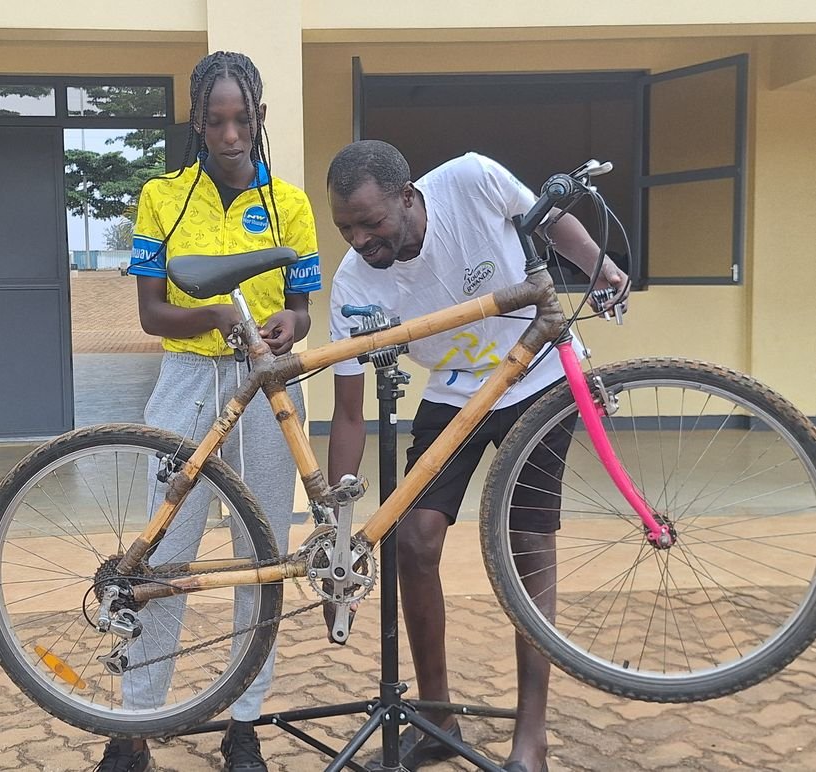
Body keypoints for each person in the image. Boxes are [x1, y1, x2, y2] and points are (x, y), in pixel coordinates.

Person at [326, 141, 628, 772]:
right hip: (454, 392)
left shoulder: (472, 180)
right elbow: (349, 413)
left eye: (371, 223)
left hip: (536, 376)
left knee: (528, 543)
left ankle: (532, 734)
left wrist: (598, 265)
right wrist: (337, 530)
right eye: (346, 229)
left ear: (408, 196)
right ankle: (437, 720)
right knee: (413, 540)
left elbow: (549, 219)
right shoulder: (353, 282)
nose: (360, 241)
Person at [95, 51, 321, 772]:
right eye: (216, 120)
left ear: (260, 118)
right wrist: (216, 316)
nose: (230, 135)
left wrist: (288, 327)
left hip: (266, 387)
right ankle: (135, 726)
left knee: (263, 560)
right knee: (164, 556)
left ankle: (243, 724)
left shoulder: (289, 203)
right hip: (186, 383)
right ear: (196, 121)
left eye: (243, 120)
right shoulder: (162, 197)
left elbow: (300, 310)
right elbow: (152, 314)